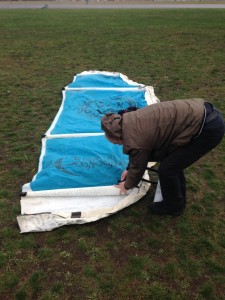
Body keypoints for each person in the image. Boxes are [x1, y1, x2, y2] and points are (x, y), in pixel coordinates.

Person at [101, 99, 224, 216]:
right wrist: (128, 169)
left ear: (118, 137)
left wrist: (126, 185)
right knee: (173, 162)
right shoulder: (129, 119)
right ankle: (178, 197)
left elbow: (139, 164)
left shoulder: (135, 139)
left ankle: (173, 207)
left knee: (167, 169)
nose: (120, 145)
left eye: (117, 143)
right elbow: (138, 154)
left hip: (207, 129)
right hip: (201, 112)